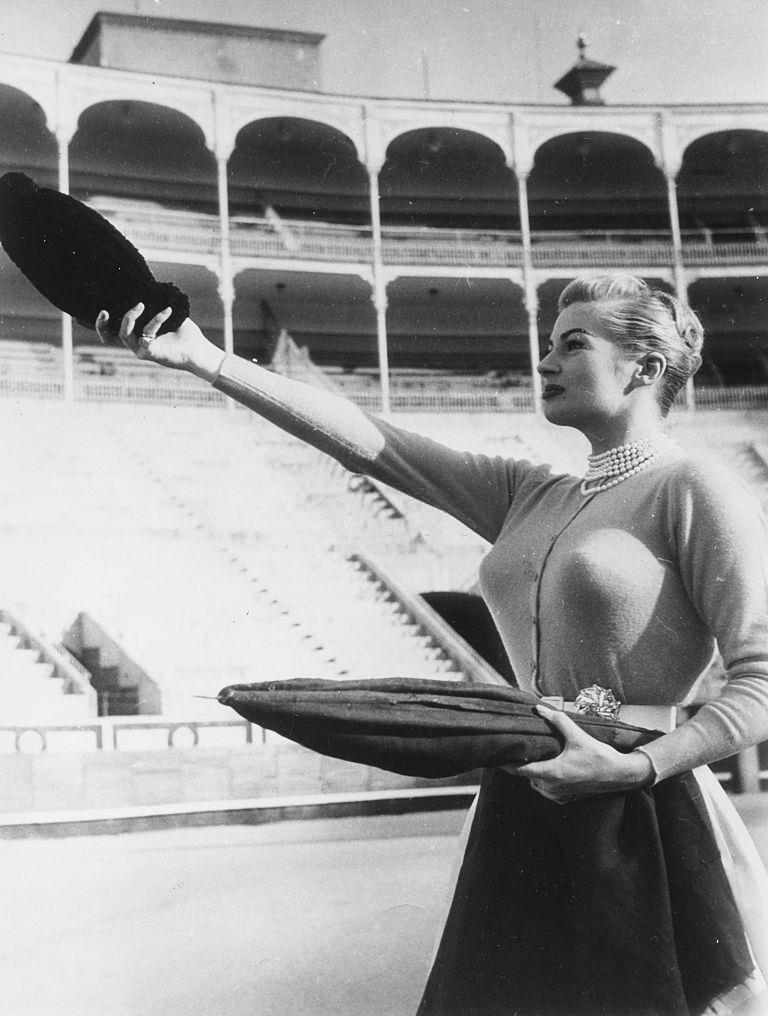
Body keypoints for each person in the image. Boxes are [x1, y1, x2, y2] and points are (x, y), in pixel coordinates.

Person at [96, 274, 768, 1016]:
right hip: (523, 797)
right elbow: (375, 446)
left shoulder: (697, 486)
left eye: (573, 344)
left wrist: (637, 766)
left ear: (645, 367)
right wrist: (206, 359)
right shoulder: (530, 493)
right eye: (547, 343)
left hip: (641, 811)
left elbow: (762, 678)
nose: (545, 361)